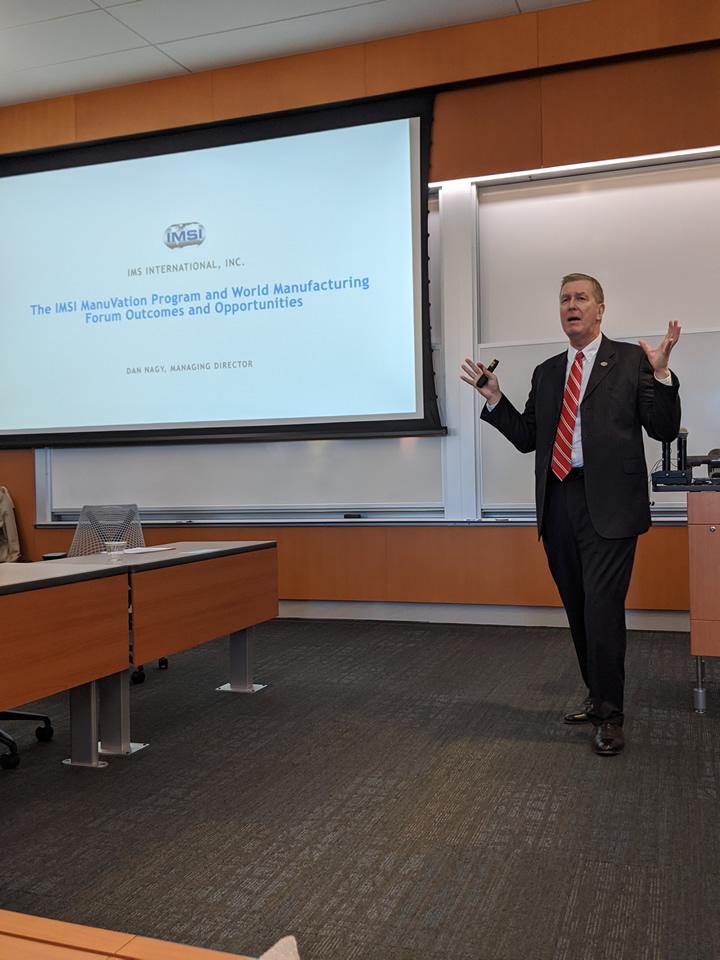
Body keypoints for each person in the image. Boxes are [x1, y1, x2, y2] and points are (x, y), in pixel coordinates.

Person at [461, 274, 681, 756]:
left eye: (581, 298)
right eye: (564, 299)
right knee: (579, 608)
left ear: (600, 309)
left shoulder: (630, 360)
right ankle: (597, 695)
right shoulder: (546, 372)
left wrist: (662, 375)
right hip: (559, 502)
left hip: (611, 504)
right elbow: (528, 437)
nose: (571, 305)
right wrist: (494, 398)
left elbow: (663, 429)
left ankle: (611, 716)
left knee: (603, 609)